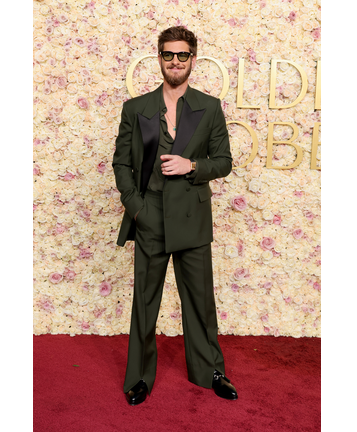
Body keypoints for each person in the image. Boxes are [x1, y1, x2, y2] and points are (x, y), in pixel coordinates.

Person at [112, 26, 238, 406]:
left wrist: (191, 164)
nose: (176, 62)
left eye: (183, 55)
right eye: (169, 55)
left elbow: (224, 162)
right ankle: (139, 378)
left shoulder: (210, 106)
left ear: (193, 60)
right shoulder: (136, 108)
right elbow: (120, 163)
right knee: (145, 302)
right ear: (160, 58)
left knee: (200, 301)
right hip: (150, 216)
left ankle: (210, 371)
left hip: (192, 219)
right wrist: (137, 208)